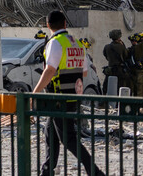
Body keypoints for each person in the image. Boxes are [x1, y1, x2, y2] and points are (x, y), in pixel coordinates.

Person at [32, 10, 103, 176]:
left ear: (48, 25)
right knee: (50, 131)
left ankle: (95, 171)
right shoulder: (77, 43)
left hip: (58, 97)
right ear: (65, 23)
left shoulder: (55, 43)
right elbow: (84, 72)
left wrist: (35, 92)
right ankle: (47, 170)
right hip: (73, 95)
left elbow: (49, 70)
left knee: (68, 138)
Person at [102, 29, 129, 93]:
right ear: (119, 37)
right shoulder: (121, 46)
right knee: (121, 87)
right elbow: (126, 56)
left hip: (110, 69)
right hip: (119, 70)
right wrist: (123, 45)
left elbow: (106, 56)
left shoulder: (107, 47)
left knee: (107, 86)